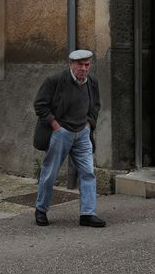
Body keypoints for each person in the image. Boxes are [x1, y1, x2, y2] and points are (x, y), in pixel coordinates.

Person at [33, 49, 105, 227]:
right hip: (61, 132)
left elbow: (95, 105)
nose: (83, 68)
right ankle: (41, 210)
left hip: (82, 133)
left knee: (88, 172)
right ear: (71, 65)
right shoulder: (55, 81)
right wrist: (55, 126)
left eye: (87, 65)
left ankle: (87, 214)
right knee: (50, 173)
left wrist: (89, 124)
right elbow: (40, 105)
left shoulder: (92, 82)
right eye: (80, 64)